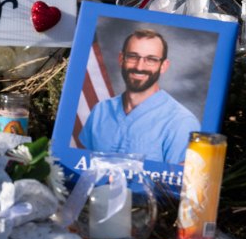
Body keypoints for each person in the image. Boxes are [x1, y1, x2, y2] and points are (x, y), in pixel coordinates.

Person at [78, 28, 199, 164]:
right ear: (121, 59)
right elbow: (81, 164)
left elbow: (181, 177)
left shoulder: (181, 122)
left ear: (163, 66)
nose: (139, 67)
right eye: (133, 57)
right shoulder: (101, 110)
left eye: (151, 59)